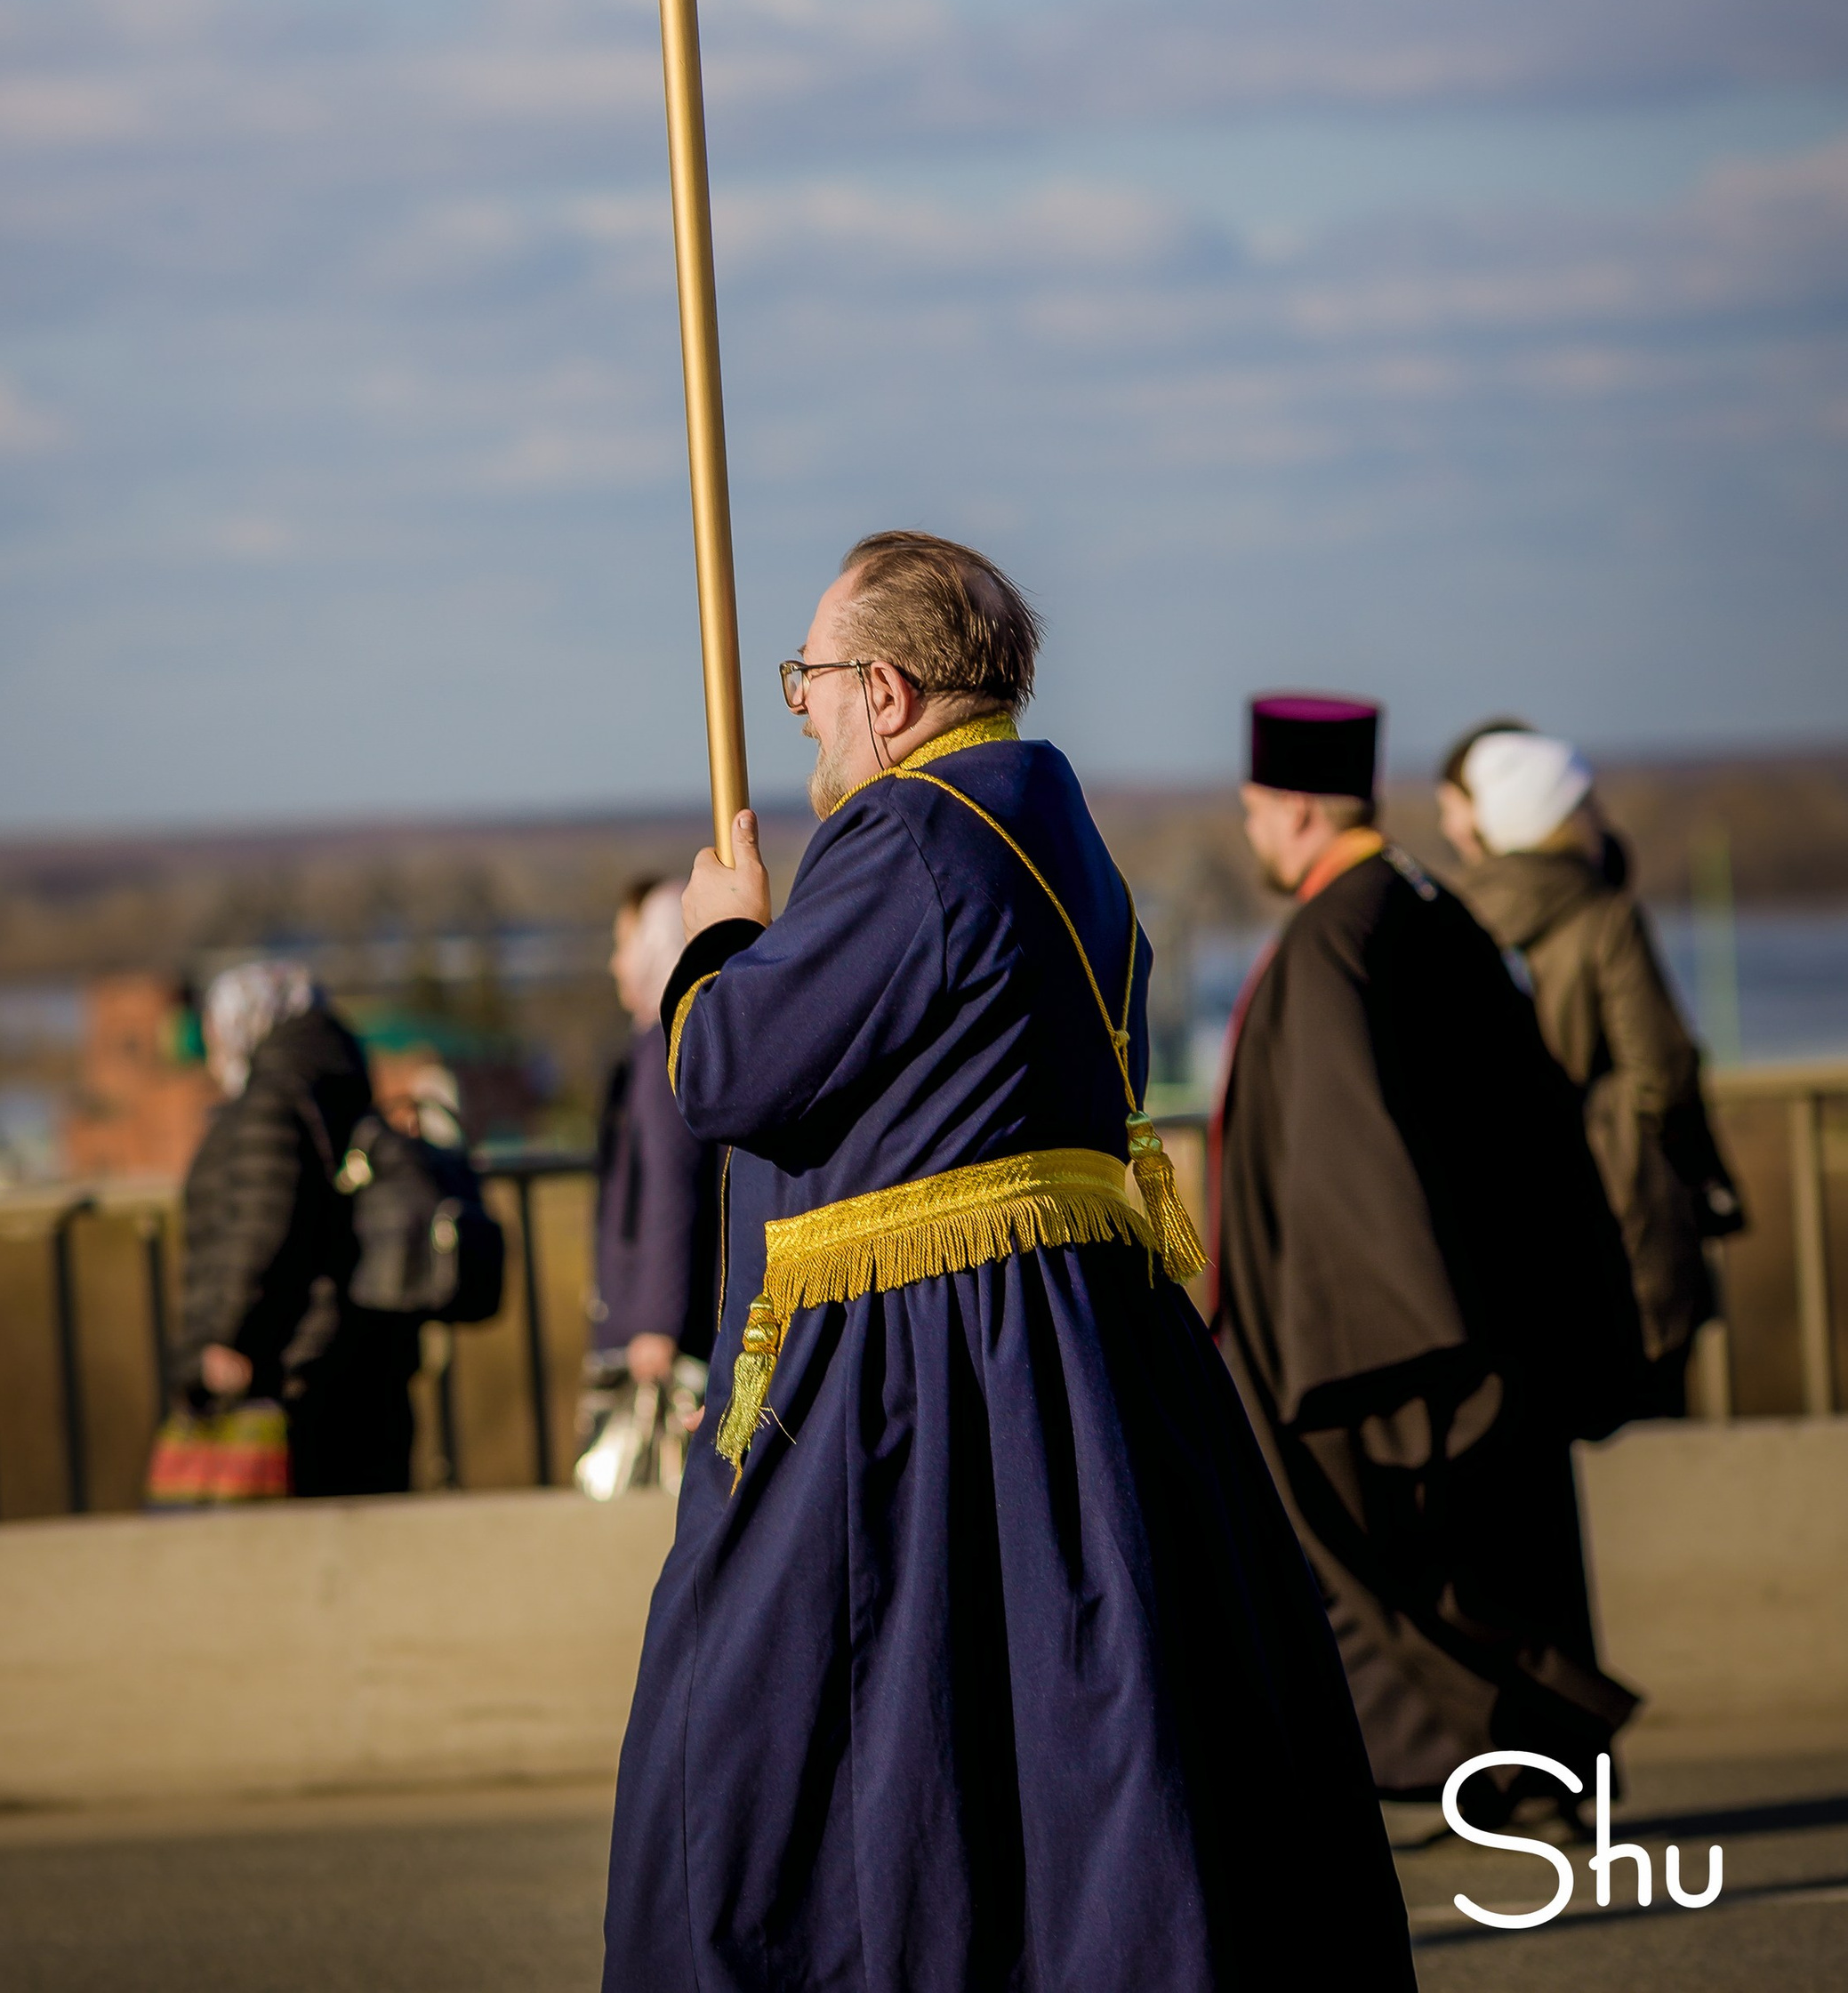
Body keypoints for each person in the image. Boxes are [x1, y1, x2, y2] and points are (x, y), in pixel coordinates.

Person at [605, 535, 1411, 1993]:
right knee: (1078, 1735)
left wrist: (716, 941)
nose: (798, 709)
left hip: (913, 1383)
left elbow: (730, 1072)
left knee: (782, 1759)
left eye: (815, 678)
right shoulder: (1054, 834)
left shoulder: (912, 836)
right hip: (1074, 1355)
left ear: (892, 691)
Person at [1213, 694, 1646, 1813]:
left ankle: (1514, 1760)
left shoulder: (1332, 936)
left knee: (1384, 1577)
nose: (1250, 829)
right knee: (1480, 1565)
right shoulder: (1418, 904)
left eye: (1259, 809)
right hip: (1469, 1309)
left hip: (1374, 1328)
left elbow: (1345, 1157)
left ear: (1300, 811)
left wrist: (1380, 1345)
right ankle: (1535, 1770)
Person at [1439, 725, 1744, 1416]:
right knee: (1655, 1449)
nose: (1599, 819)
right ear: (1556, 819)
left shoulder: (1453, 920)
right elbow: (1662, 1076)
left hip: (1517, 1238)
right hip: (1628, 1216)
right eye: (1584, 805)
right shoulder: (1606, 919)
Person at [176, 960, 415, 1497]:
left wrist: (229, 1335)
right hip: (360, 1345)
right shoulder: (335, 1077)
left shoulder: (273, 1096)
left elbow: (266, 1219)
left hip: (291, 1357)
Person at [590, 878, 719, 1398]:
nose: (616, 964)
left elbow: (671, 1180)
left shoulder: (666, 1043)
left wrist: (657, 1322)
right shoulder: (670, 1037)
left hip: (668, 1328)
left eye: (625, 944)